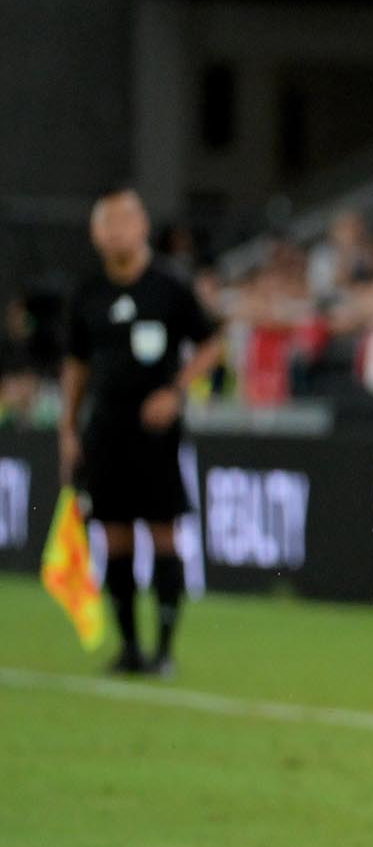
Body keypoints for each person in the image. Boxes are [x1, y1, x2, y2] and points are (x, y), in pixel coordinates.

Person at [59, 188, 223, 678]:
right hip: (105, 430)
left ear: (143, 226)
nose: (117, 231)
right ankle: (129, 647)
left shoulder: (169, 285)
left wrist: (176, 391)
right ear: (96, 234)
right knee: (114, 536)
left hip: (156, 435)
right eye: (108, 223)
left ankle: (164, 649)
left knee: (164, 532)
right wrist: (68, 426)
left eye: (125, 220)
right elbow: (76, 364)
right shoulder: (88, 292)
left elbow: (212, 343)